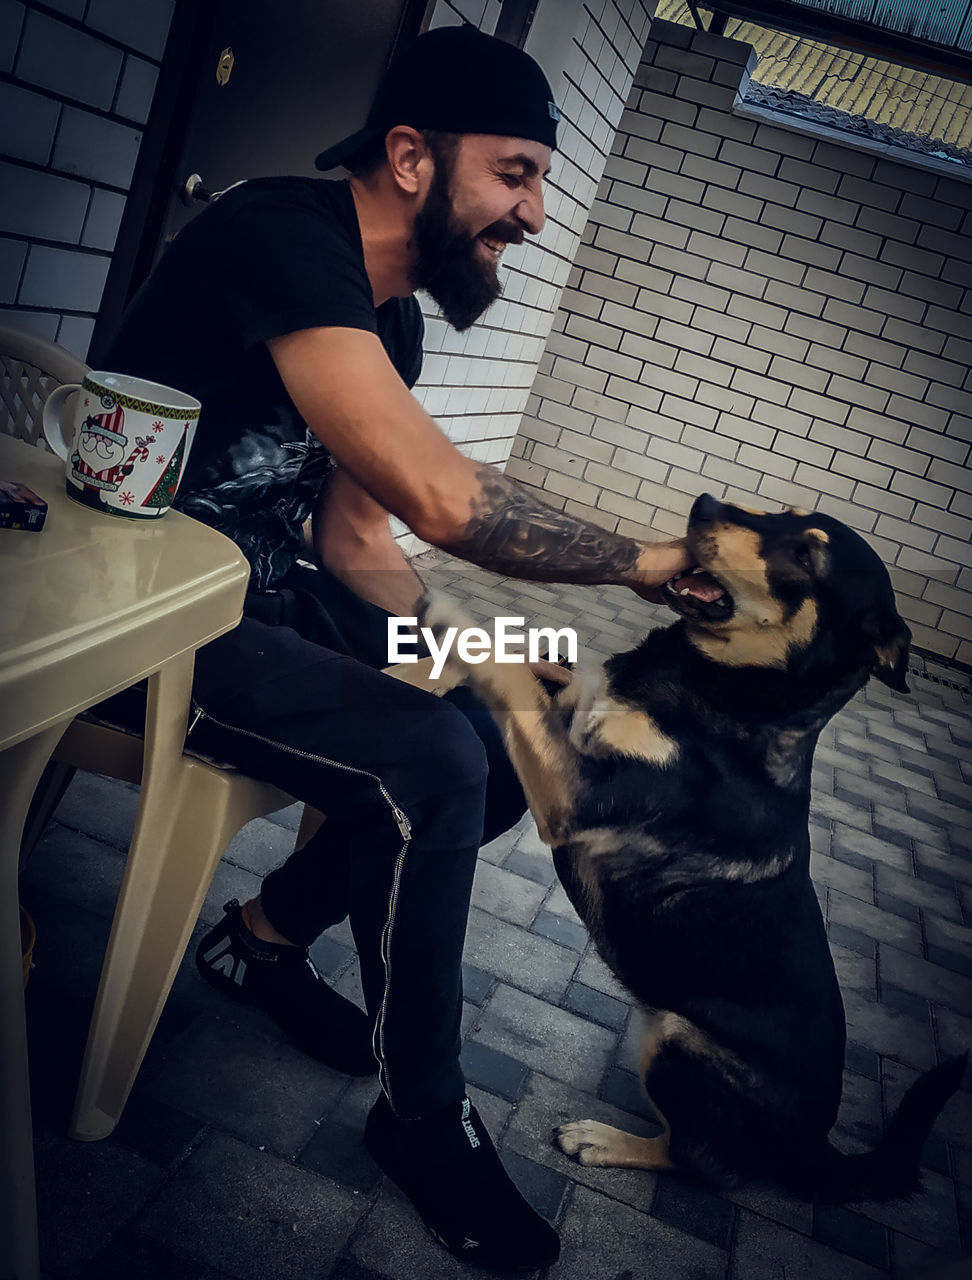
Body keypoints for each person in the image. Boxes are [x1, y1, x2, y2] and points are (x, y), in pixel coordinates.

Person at [102, 24, 691, 1271]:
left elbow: (359, 537)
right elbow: (439, 495)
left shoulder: (392, 322)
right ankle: (423, 1115)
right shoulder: (279, 234)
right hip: (148, 608)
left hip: (258, 601)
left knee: (489, 729)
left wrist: (497, 652)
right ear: (413, 157)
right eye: (517, 172)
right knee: (430, 754)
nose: (534, 213)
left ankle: (257, 941)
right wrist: (643, 563)